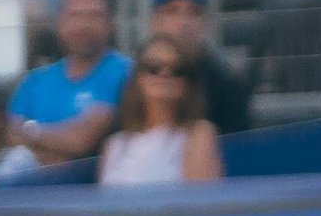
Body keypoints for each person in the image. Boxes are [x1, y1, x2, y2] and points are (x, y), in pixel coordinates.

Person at [5, 0, 132, 165]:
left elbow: (80, 141)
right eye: (74, 16)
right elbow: (10, 136)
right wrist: (58, 150)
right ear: (59, 23)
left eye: (94, 16)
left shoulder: (126, 73)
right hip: (32, 181)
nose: (83, 25)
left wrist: (30, 131)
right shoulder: (35, 80)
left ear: (112, 23)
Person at [95, 41, 224, 186]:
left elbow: (201, 196)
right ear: (138, 78)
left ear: (188, 83)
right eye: (154, 68)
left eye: (178, 70)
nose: (165, 74)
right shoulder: (114, 144)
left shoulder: (198, 133)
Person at [141, 0, 254, 135]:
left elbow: (236, 143)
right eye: (172, 11)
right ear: (156, 21)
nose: (183, 22)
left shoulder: (227, 84)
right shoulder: (138, 77)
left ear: (206, 22)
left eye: (194, 12)